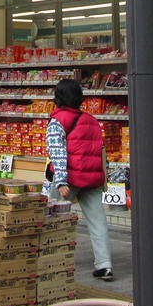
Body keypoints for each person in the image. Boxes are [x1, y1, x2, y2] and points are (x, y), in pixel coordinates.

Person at [46, 78, 113, 281]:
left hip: (70, 178)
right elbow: (101, 152)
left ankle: (54, 261)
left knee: (54, 220)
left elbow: (57, 151)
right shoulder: (92, 121)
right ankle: (104, 264)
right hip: (92, 178)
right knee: (98, 221)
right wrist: (103, 178)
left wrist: (61, 180)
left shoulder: (58, 120)